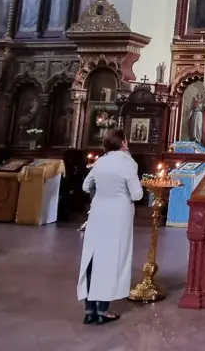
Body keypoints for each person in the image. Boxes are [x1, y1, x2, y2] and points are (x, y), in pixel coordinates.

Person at [76, 129, 143, 325]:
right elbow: (137, 195)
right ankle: (103, 310)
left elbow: (85, 186)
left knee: (92, 256)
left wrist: (103, 191)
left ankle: (89, 310)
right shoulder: (128, 163)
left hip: (98, 212)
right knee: (110, 259)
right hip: (118, 214)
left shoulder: (100, 162)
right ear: (123, 142)